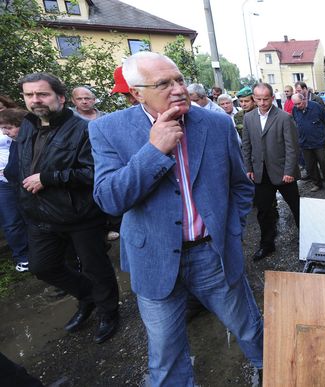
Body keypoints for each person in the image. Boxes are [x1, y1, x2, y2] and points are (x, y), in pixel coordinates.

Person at [88, 52, 263, 385]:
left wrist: (232, 230)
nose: (178, 89)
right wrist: (153, 151)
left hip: (213, 254)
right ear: (137, 92)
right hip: (152, 258)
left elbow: (240, 186)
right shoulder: (108, 130)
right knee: (166, 352)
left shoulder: (216, 123)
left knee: (249, 327)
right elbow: (110, 200)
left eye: (179, 79)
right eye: (163, 84)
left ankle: (270, 368)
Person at [14, 72, 119, 343]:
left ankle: (109, 311)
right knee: (42, 266)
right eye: (29, 95)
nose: (35, 100)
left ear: (60, 97)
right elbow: (24, 164)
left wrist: (48, 178)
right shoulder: (27, 124)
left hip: (79, 214)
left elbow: (93, 173)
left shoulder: (84, 129)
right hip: (39, 214)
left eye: (42, 94)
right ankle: (88, 296)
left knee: (96, 267)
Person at [241, 83, 300, 261]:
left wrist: (289, 170)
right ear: (253, 98)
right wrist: (249, 168)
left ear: (272, 98)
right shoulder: (249, 118)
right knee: (264, 212)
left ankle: (307, 240)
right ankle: (266, 244)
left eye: (266, 99)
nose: (262, 102)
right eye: (258, 99)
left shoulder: (284, 117)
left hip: (283, 173)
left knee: (297, 208)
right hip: (260, 173)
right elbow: (246, 145)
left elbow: (292, 147)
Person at [0, 108, 30, 272]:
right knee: (12, 220)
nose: (5, 133)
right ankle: (24, 256)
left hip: (25, 180)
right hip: (7, 182)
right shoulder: (13, 138)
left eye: (8, 128)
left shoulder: (24, 138)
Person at [291, 93, 325, 193]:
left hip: (318, 141)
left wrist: (324, 137)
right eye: (295, 104)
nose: (297, 106)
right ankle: (317, 183)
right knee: (310, 165)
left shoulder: (316, 107)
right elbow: (296, 122)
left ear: (304, 99)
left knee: (324, 163)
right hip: (304, 142)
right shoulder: (295, 109)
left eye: (298, 103)